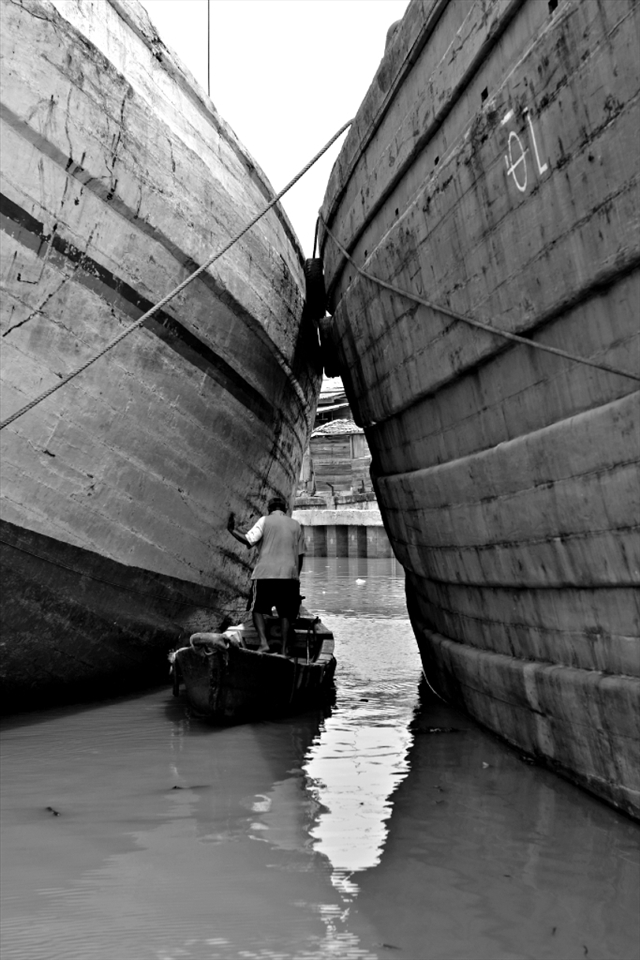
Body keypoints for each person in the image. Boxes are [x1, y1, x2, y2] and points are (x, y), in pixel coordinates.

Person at [227, 497, 305, 656]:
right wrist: (296, 575)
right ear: (284, 509)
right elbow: (301, 554)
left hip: (265, 574)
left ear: (269, 509)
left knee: (257, 609)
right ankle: (284, 649)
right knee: (285, 613)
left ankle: (264, 644)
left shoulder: (265, 521)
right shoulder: (295, 525)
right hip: (289, 576)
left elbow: (248, 540)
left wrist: (232, 530)